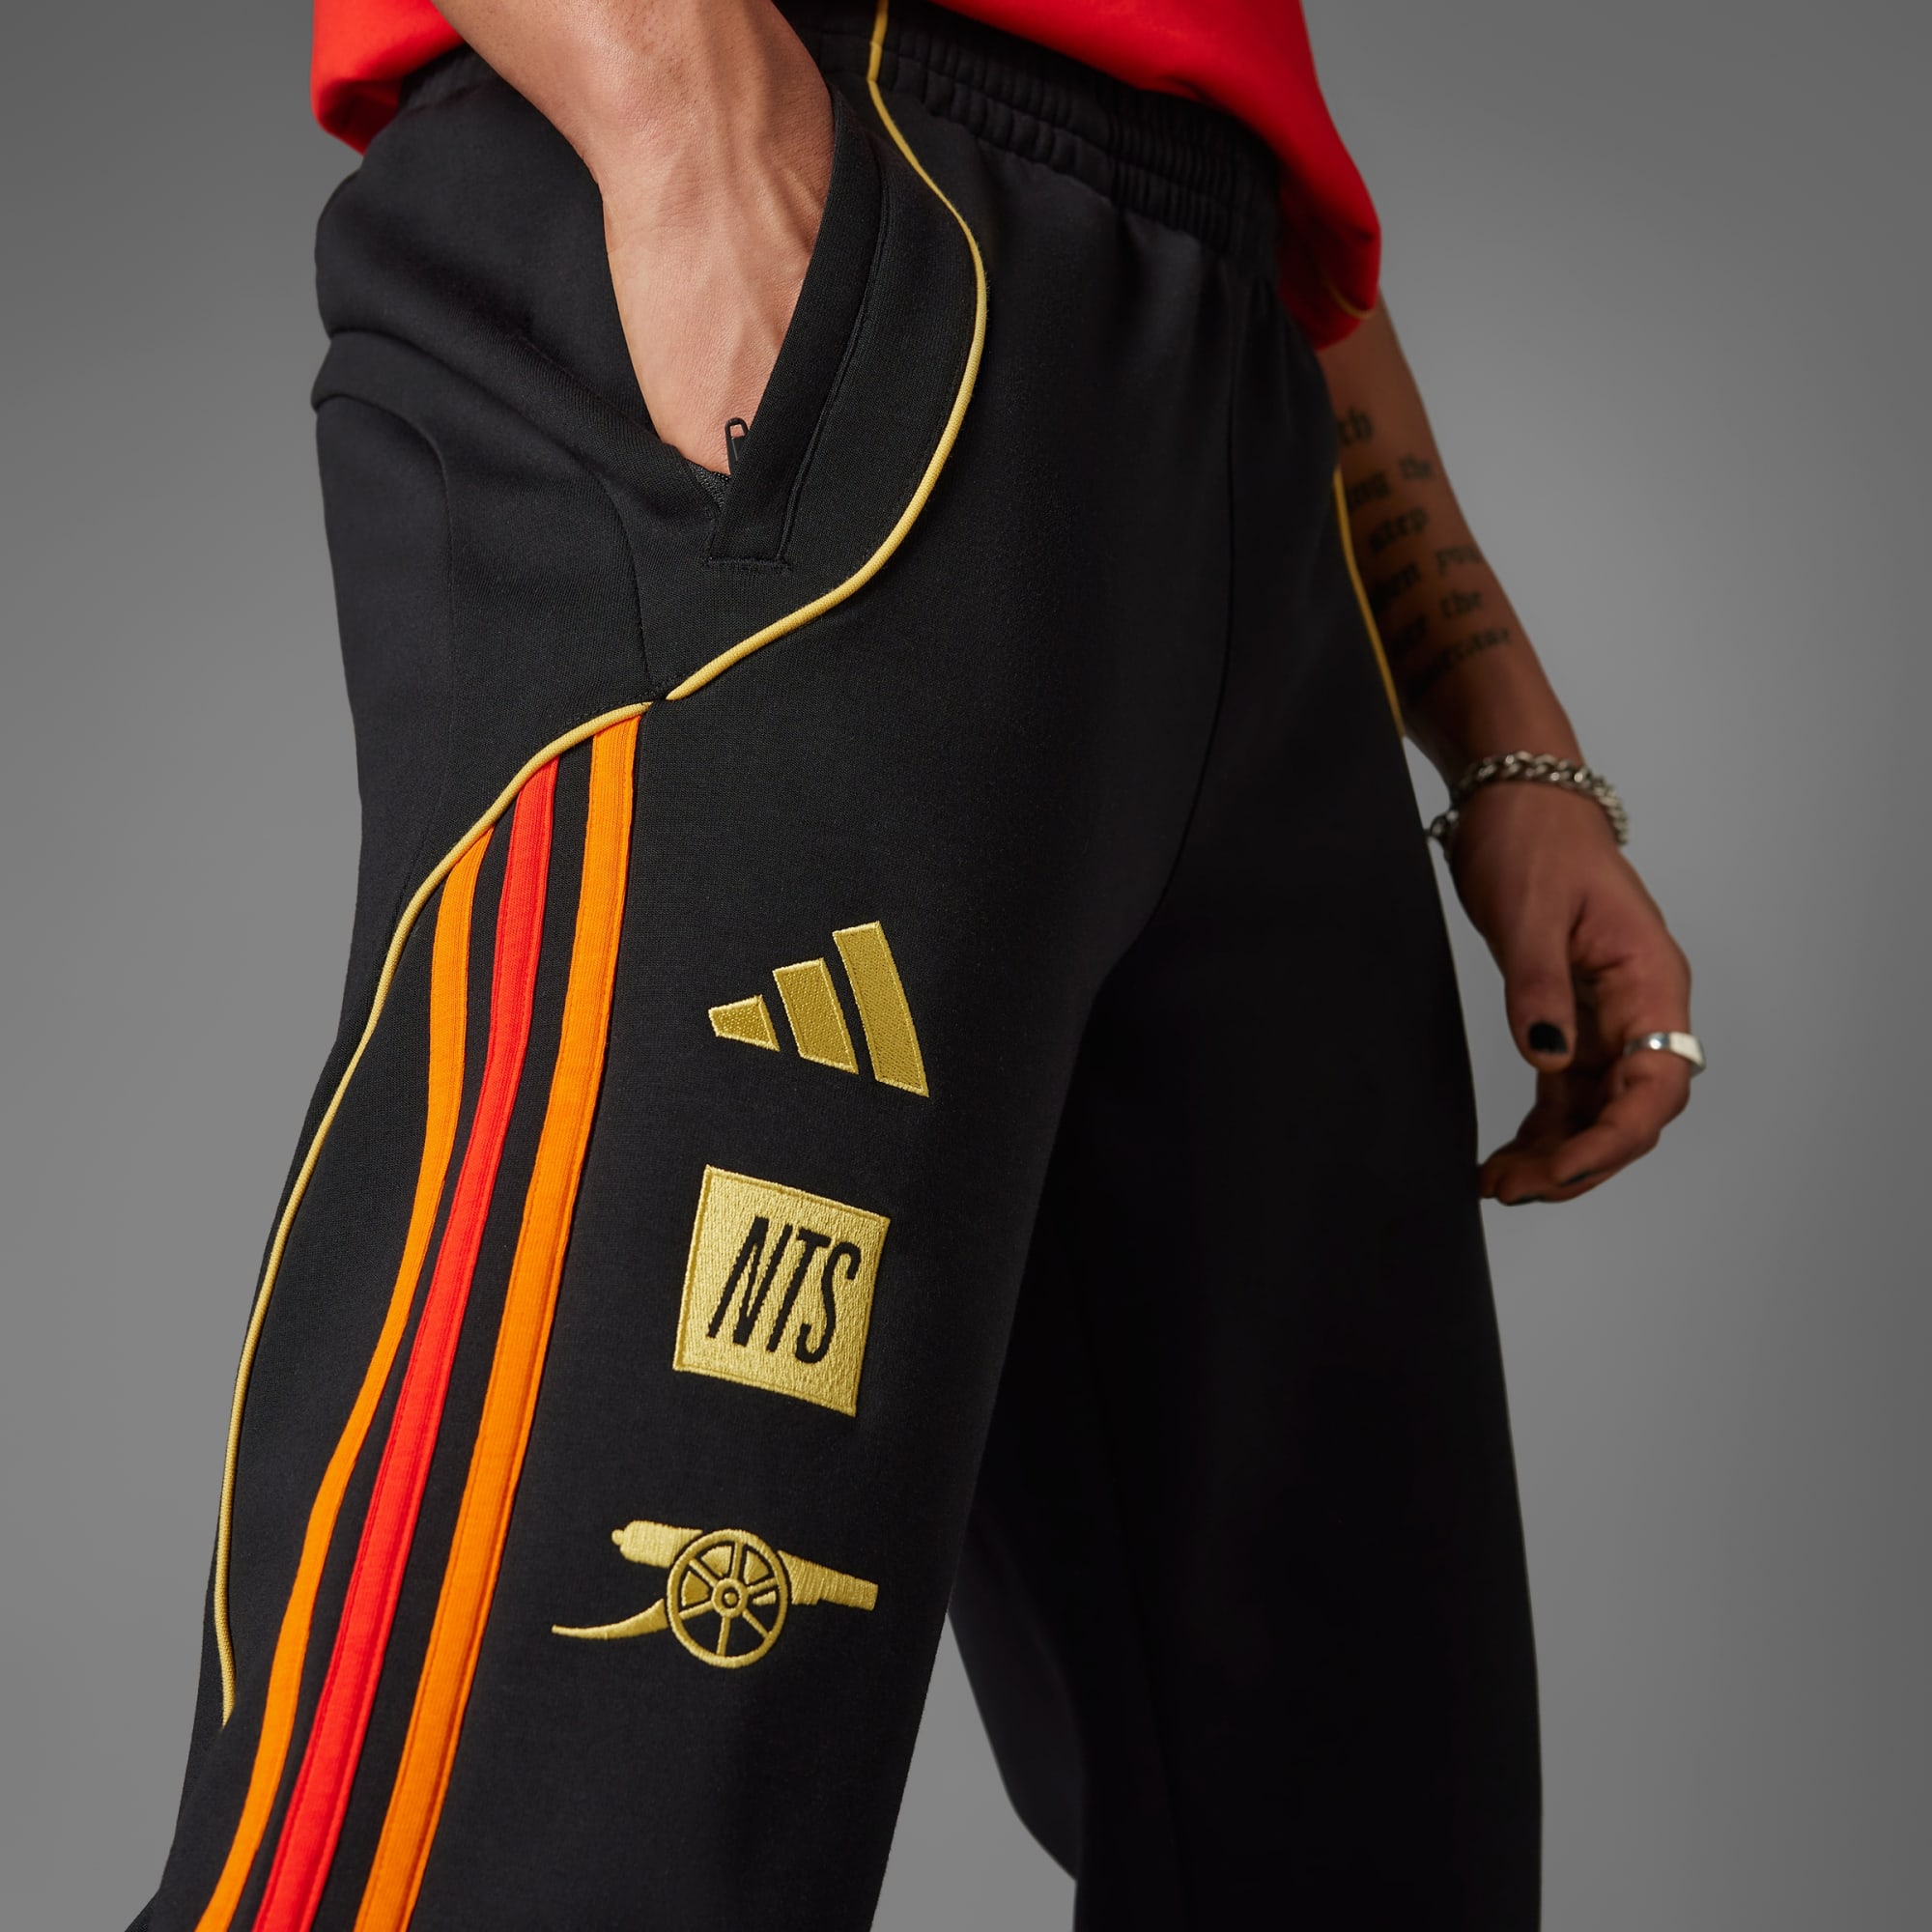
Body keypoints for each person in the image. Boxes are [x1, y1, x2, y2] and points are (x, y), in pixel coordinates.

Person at [129, 2, 1698, 1926]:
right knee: (568, 1805)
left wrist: (1504, 734)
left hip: (1227, 371)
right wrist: (689, 121)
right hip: (828, 174)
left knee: (1363, 1829)